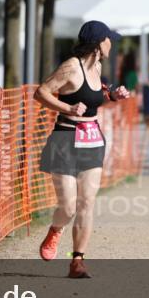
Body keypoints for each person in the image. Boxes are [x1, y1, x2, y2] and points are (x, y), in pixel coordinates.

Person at [34, 20, 130, 279]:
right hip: (65, 137)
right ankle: (56, 230)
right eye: (109, 39)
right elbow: (41, 93)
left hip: (92, 139)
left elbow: (94, 97)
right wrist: (67, 108)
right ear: (99, 43)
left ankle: (77, 261)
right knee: (68, 205)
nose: (111, 43)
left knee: (86, 202)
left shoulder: (98, 67)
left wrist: (113, 96)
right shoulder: (70, 67)